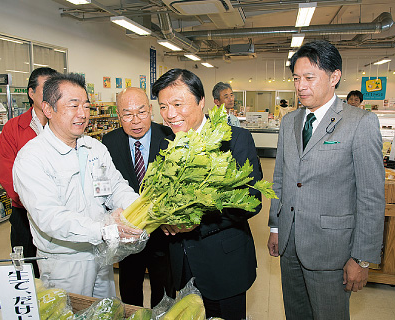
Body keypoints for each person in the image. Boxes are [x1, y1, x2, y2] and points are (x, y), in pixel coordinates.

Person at [267, 40, 385, 320]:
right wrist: (275, 225)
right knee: (295, 313)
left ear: (334, 78)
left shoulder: (360, 123)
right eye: (296, 78)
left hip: (332, 250)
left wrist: (361, 258)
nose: (300, 86)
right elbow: (281, 177)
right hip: (290, 245)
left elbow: (370, 196)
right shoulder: (290, 122)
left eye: (309, 77)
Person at [12, 73, 142, 297]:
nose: (82, 114)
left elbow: (114, 187)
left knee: (104, 311)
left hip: (101, 254)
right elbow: (50, 217)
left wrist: (139, 209)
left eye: (86, 106)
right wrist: (103, 230)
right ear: (48, 109)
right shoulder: (32, 158)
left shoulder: (94, 148)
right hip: (64, 263)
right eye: (73, 106)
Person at [152, 69, 262, 320]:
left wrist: (194, 223)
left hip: (223, 263)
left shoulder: (235, 140)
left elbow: (251, 202)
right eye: (163, 106)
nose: (170, 114)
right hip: (180, 263)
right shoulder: (165, 143)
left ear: (201, 101)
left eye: (178, 104)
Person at [102, 87, 174, 307]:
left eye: (141, 112)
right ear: (118, 115)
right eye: (127, 115)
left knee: (163, 290)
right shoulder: (109, 142)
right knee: (130, 287)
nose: (135, 121)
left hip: (163, 233)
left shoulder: (170, 138)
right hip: (128, 233)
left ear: (151, 110)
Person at [0, 67, 57, 277]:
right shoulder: (13, 128)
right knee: (27, 271)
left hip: (60, 213)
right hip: (24, 214)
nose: (52, 95)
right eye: (46, 89)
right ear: (31, 93)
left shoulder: (64, 126)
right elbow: (7, 176)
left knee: (58, 271)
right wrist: (36, 203)